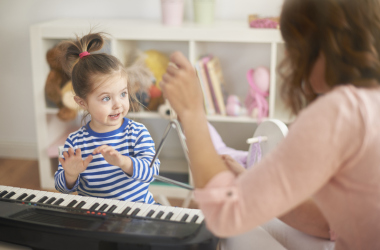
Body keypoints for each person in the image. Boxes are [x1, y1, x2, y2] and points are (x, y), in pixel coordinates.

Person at [160, 0, 380, 249]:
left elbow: (225, 214)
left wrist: (192, 113)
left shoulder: (341, 111)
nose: (288, 56)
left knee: (234, 234)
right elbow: (328, 223)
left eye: (293, 44)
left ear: (324, 43)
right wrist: (254, 183)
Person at [54, 32, 160, 204]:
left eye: (123, 94)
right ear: (82, 103)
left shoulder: (137, 133)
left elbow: (151, 173)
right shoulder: (75, 141)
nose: (118, 104)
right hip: (94, 216)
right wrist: (70, 175)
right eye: (106, 98)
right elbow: (61, 187)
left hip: (136, 214)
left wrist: (124, 162)